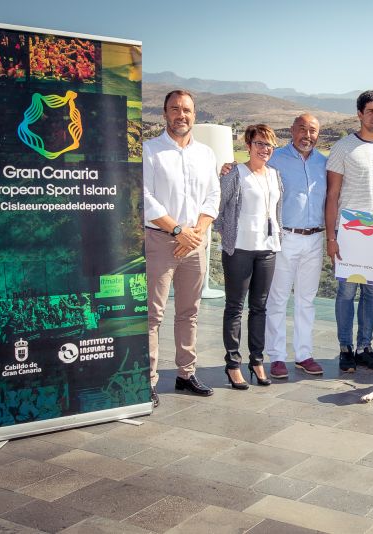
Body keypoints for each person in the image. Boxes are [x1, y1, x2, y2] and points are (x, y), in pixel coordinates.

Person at [143, 89, 220, 406]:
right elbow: (145, 198)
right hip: (161, 240)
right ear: (164, 114)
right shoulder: (150, 150)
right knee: (153, 315)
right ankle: (146, 381)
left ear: (194, 114)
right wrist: (177, 230)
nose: (181, 115)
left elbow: (212, 196)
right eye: (174, 109)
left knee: (189, 313)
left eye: (186, 110)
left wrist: (197, 230)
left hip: (195, 243)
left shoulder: (205, 154)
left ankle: (186, 374)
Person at [325, 90, 373, 373]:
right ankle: (346, 347)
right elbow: (332, 195)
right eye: (371, 111)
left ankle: (365, 347)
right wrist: (331, 238)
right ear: (359, 114)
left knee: (371, 294)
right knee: (346, 293)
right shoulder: (343, 148)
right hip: (349, 232)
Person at [215, 124, 283, 389]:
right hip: (240, 248)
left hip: (268, 248)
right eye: (259, 144)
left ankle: (257, 360)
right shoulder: (235, 173)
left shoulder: (275, 175)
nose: (264, 149)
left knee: (260, 307)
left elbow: (277, 210)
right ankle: (233, 364)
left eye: (269, 145)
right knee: (234, 307)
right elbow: (218, 208)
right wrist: (227, 234)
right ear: (248, 145)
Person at [264, 114, 327, 379]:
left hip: (315, 238)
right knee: (277, 298)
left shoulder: (324, 163)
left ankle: (303, 354)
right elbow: (251, 170)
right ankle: (277, 356)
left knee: (306, 300)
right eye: (302, 129)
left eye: (312, 130)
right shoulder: (275, 158)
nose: (307, 135)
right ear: (292, 130)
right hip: (285, 237)